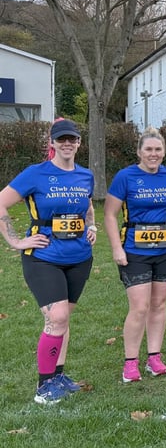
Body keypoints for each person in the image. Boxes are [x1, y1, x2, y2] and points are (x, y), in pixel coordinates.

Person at [0, 119, 96, 404]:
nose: (67, 143)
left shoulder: (85, 175)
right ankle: (44, 386)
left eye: (73, 139)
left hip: (79, 257)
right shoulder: (36, 173)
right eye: (62, 139)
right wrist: (15, 241)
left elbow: (88, 205)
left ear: (79, 143)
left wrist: (91, 226)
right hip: (43, 257)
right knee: (57, 317)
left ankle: (59, 376)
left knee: (63, 318)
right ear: (52, 143)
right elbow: (1, 202)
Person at [104, 126, 166, 383]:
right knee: (139, 307)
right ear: (139, 152)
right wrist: (116, 247)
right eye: (148, 149)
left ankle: (154, 357)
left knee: (158, 305)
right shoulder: (126, 176)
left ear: (164, 152)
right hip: (134, 250)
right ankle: (130, 362)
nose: (153, 154)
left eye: (158, 149)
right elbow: (110, 214)